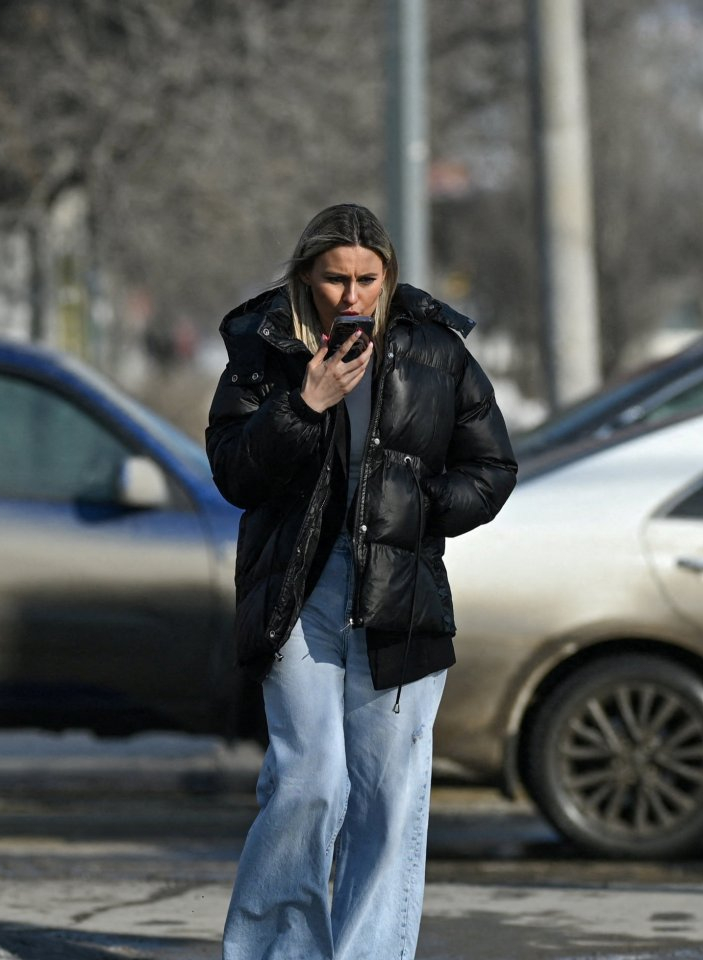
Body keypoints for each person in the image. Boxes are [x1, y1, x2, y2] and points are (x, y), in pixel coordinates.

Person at [207, 203, 516, 958]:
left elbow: (493, 467)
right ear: (305, 277)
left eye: (366, 280)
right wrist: (304, 403)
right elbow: (234, 472)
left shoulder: (434, 350)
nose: (352, 296)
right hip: (299, 588)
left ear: (388, 275)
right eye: (334, 280)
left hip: (398, 594)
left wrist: (421, 507)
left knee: (387, 797)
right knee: (309, 782)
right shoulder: (266, 349)